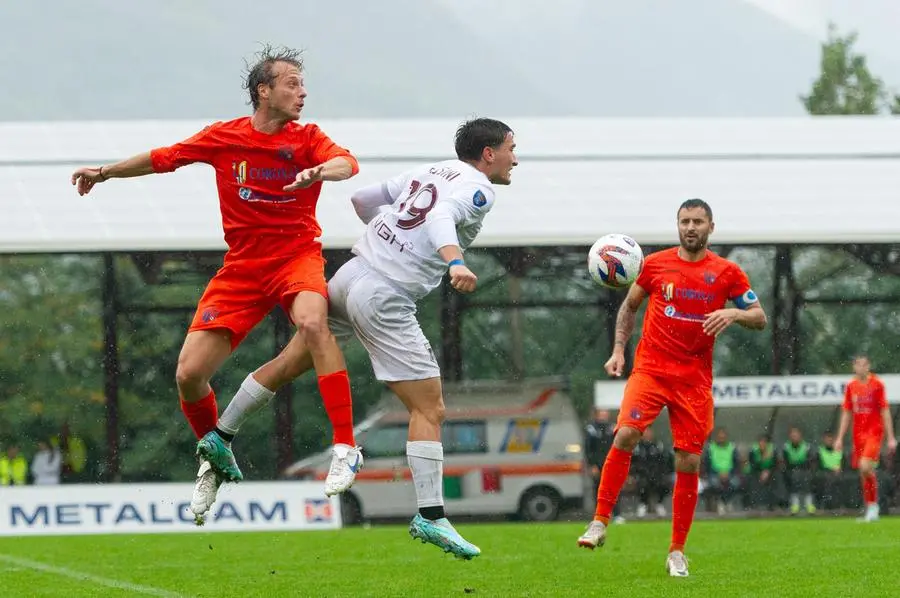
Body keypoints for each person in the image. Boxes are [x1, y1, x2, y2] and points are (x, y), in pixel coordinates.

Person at [70, 45, 363, 522]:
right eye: (292, 83)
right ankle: (214, 459)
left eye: (304, 84)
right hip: (243, 269)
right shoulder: (224, 137)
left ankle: (346, 446)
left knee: (313, 323)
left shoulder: (307, 137)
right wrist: (103, 173)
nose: (302, 92)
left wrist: (318, 170)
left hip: (296, 257)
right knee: (188, 375)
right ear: (263, 91)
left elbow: (347, 163)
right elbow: (163, 157)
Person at [201, 118, 517, 558]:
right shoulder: (481, 189)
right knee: (429, 407)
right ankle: (431, 515)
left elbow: (362, 198)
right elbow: (442, 216)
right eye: (510, 149)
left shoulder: (431, 170)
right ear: (488, 154)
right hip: (385, 295)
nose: (514, 158)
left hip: (350, 275)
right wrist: (454, 262)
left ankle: (221, 433)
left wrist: (391, 238)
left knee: (290, 362)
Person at [576, 198, 768, 577]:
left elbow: (759, 317)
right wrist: (618, 350)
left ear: (711, 227)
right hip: (651, 370)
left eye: (698, 221)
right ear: (677, 226)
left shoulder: (727, 273)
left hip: (694, 380)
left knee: (689, 460)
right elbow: (630, 308)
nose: (691, 227)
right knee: (627, 433)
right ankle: (599, 521)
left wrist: (733, 312)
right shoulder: (654, 265)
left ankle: (677, 550)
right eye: (685, 221)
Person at [834, 355, 897, 522]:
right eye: (858, 364)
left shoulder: (877, 385)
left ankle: (874, 506)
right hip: (858, 434)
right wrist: (839, 437)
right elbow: (847, 413)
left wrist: (890, 437)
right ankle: (871, 507)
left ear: (868, 366)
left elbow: (884, 411)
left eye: (864, 364)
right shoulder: (851, 386)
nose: (861, 367)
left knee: (864, 466)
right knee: (864, 472)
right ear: (853, 367)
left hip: (874, 433)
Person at [584, 408, 625, 523]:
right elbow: (588, 449)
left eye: (605, 414)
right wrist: (592, 465)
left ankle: (617, 514)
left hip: (611, 463)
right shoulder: (591, 429)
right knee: (598, 489)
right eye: (601, 414)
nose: (604, 416)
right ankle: (599, 515)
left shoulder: (612, 428)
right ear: (596, 415)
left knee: (614, 488)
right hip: (598, 465)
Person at [632, 427, 673, 518]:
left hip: (657, 473)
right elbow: (634, 462)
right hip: (642, 474)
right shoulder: (638, 446)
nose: (647, 434)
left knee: (664, 483)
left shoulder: (658, 445)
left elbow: (664, 460)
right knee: (643, 484)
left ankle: (659, 504)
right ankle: (643, 505)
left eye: (649, 432)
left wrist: (663, 472)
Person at [702, 427, 741, 515]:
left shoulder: (732, 448)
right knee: (715, 484)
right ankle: (722, 503)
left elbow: (736, 464)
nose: (721, 438)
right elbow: (707, 465)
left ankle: (726, 502)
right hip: (714, 474)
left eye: (723, 437)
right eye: (719, 437)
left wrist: (728, 473)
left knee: (735, 483)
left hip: (730, 473)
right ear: (716, 437)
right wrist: (718, 473)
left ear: (726, 437)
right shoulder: (710, 449)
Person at [781, 426, 815, 515]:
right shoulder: (786, 447)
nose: (794, 436)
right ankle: (794, 505)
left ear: (800, 435)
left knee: (806, 477)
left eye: (796, 434)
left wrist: (800, 465)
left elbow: (810, 461)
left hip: (805, 470)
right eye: (793, 435)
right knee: (793, 477)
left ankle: (809, 505)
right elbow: (785, 462)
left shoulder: (806, 447)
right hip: (791, 471)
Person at [745, 434, 777, 511]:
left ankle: (773, 504)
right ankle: (752, 504)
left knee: (776, 478)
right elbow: (752, 465)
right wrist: (761, 460)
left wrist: (767, 471)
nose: (762, 444)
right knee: (752, 479)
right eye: (761, 442)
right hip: (756, 471)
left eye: (764, 442)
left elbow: (775, 464)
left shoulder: (772, 451)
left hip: (769, 472)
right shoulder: (753, 451)